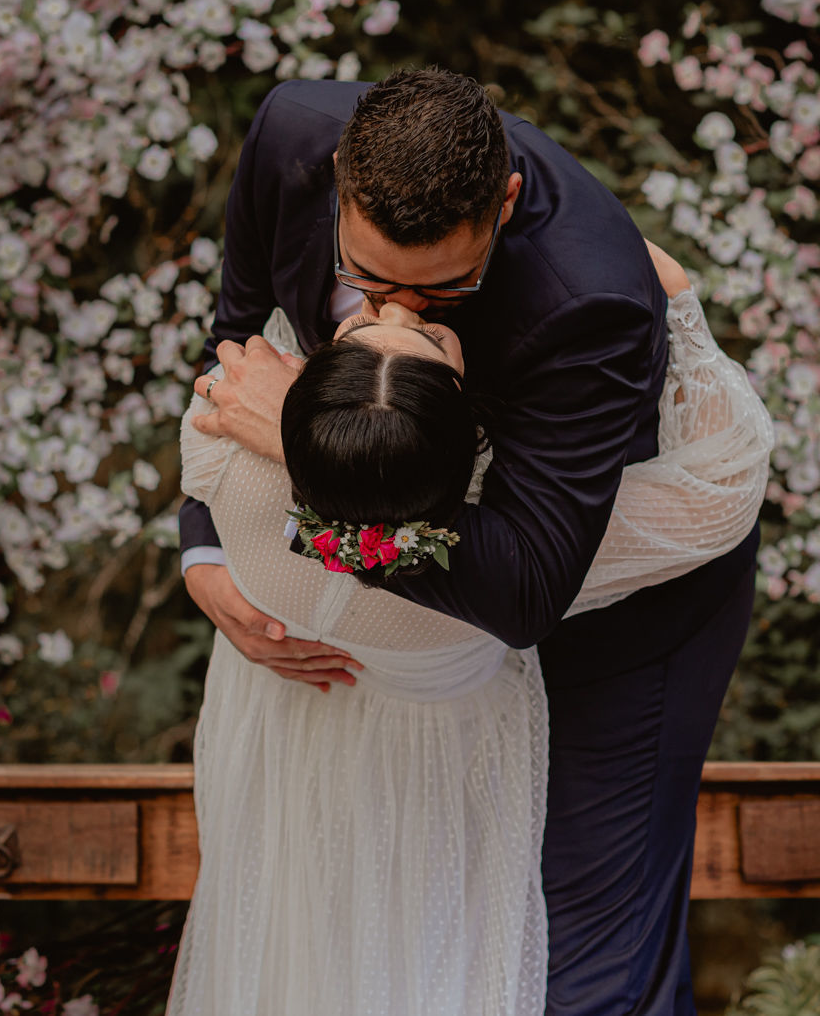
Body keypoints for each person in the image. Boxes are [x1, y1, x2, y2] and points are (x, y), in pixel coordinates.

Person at [178, 68, 765, 1014]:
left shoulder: (591, 298)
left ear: (506, 201)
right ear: (337, 178)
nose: (398, 312)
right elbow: (237, 341)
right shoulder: (290, 134)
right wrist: (208, 543)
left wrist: (305, 453)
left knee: (581, 959)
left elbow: (529, 589)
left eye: (446, 287)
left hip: (630, 580)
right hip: (439, 594)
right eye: (367, 279)